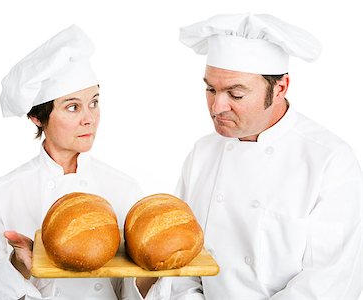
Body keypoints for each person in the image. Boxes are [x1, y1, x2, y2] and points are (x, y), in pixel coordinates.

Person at [135, 13, 363, 299]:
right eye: (210, 89)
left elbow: (329, 284)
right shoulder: (202, 154)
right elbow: (182, 265)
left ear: (280, 88)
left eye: (236, 94)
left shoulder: (330, 162)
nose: (217, 107)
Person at [0, 25, 143, 299]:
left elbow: (133, 287)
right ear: (37, 117)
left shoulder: (122, 188)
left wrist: (149, 274)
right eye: (72, 107)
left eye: (94, 102)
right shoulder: (2, 195)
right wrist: (18, 267)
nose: (89, 118)